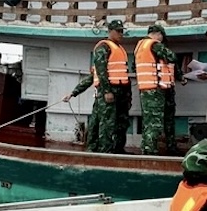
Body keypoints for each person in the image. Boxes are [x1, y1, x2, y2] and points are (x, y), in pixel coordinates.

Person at [63, 19, 131, 153]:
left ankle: (117, 149)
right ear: (110, 31)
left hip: (121, 92)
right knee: (106, 123)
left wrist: (73, 92)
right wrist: (107, 91)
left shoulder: (120, 49)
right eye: (118, 31)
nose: (121, 34)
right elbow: (100, 72)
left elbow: (91, 77)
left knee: (120, 123)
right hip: (109, 91)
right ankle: (103, 151)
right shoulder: (103, 47)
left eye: (122, 31)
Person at [135, 24, 184, 155]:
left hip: (150, 89)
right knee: (154, 124)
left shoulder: (140, 46)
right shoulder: (154, 44)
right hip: (155, 90)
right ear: (158, 34)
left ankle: (148, 148)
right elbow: (172, 56)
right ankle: (150, 152)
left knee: (149, 121)